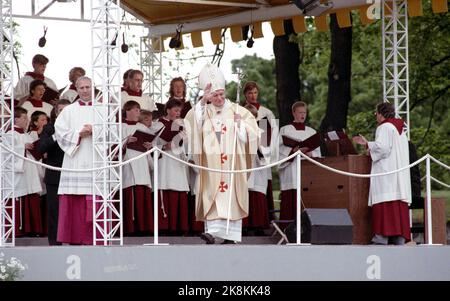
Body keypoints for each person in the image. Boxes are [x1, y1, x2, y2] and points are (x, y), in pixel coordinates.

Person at [184, 63, 259, 244]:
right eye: (214, 95)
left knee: (231, 196)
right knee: (213, 195)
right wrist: (202, 101)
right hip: (212, 165)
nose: (218, 98)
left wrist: (240, 124)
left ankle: (230, 236)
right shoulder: (204, 110)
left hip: (233, 163)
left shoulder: (238, 111)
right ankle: (213, 233)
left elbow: (254, 134)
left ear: (225, 93)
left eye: (221, 94)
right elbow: (192, 123)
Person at [353, 102, 411, 245]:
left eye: (376, 113)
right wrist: (370, 144)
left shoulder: (384, 127)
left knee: (385, 203)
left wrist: (367, 145)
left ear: (381, 114)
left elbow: (382, 148)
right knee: (397, 205)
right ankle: (399, 237)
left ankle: (381, 237)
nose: (375, 115)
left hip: (387, 174)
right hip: (398, 174)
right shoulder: (401, 129)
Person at [54, 76, 97, 245]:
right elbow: (60, 132)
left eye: (88, 87)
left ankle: (96, 238)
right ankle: (73, 238)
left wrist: (95, 130)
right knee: (74, 202)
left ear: (93, 88)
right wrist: (78, 135)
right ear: (77, 89)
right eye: (82, 88)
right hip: (75, 159)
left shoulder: (103, 109)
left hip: (96, 159)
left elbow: (113, 133)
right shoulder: (68, 111)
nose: (85, 90)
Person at [278, 101, 321, 222]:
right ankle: (288, 231)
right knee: (290, 203)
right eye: (300, 112)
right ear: (293, 113)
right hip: (291, 170)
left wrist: (310, 153)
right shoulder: (285, 130)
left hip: (306, 170)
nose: (303, 115)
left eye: (305, 113)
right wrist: (294, 151)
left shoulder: (311, 132)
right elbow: (280, 151)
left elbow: (317, 153)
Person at [152, 98, 190, 235]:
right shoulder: (157, 124)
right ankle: (164, 227)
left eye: (179, 110)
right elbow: (149, 143)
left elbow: (186, 145)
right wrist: (164, 146)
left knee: (179, 190)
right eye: (175, 110)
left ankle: (179, 227)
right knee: (165, 186)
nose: (178, 113)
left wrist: (182, 141)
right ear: (168, 110)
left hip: (178, 161)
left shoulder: (182, 126)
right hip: (165, 161)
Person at [243, 81, 278, 229]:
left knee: (259, 188)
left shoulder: (266, 113)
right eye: (250, 93)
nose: (253, 95)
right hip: (245, 156)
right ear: (245, 94)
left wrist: (266, 151)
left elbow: (274, 133)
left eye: (255, 92)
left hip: (261, 155)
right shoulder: (241, 111)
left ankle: (261, 223)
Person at [38, 99, 71, 245]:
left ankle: (76, 242)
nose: (64, 113)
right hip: (54, 176)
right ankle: (54, 244)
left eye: (67, 110)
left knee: (73, 211)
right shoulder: (49, 128)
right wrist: (55, 135)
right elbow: (41, 148)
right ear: (56, 113)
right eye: (61, 110)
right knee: (54, 211)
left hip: (75, 175)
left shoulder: (77, 127)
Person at [9, 107, 43, 237]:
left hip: (30, 170)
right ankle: (20, 229)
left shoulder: (26, 135)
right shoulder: (10, 134)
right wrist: (22, 147)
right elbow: (7, 152)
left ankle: (33, 229)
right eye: (24, 118)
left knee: (33, 196)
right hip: (20, 173)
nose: (27, 120)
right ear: (16, 119)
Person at [122, 100, 154, 235]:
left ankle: (144, 228)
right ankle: (130, 228)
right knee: (130, 196)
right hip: (127, 164)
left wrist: (150, 147)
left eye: (139, 110)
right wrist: (125, 142)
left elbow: (152, 145)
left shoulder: (143, 127)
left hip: (142, 162)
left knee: (143, 195)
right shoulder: (120, 127)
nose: (138, 113)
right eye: (135, 110)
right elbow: (112, 148)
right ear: (127, 111)